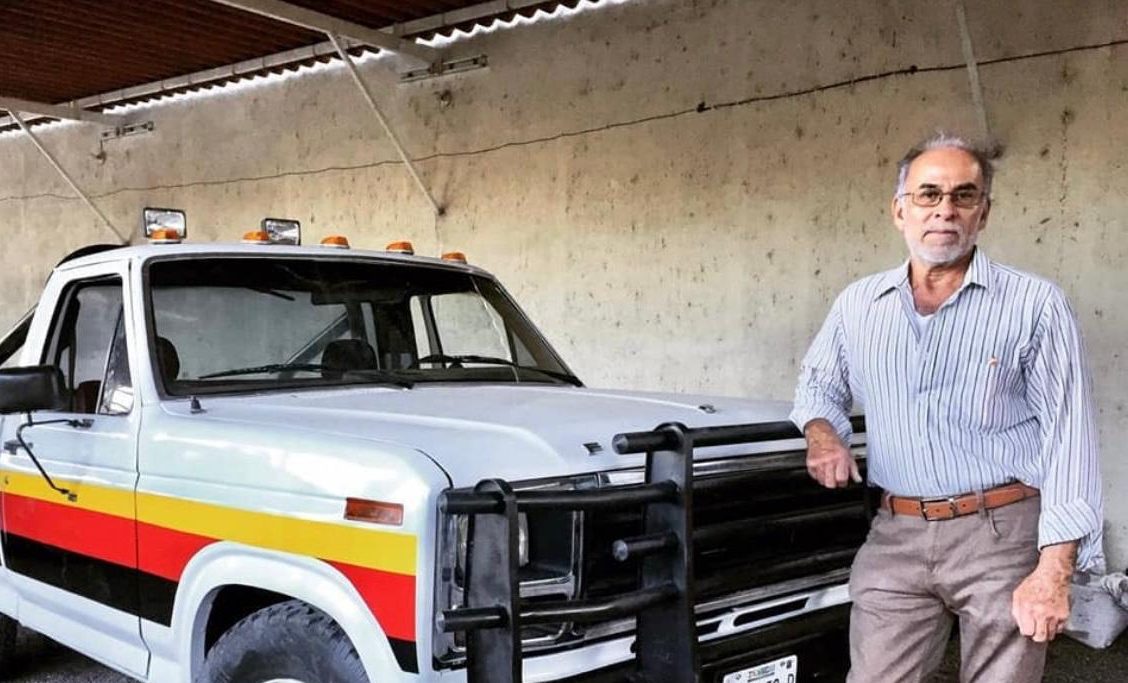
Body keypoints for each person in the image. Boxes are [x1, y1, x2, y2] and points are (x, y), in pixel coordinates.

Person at [791, 132, 1104, 682]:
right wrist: (822, 434)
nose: (945, 210)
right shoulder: (859, 305)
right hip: (896, 530)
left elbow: (1069, 439)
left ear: (984, 213)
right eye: (928, 194)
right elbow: (817, 385)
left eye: (964, 195)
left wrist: (1054, 571)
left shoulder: (1034, 304)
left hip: (1001, 532)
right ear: (899, 210)